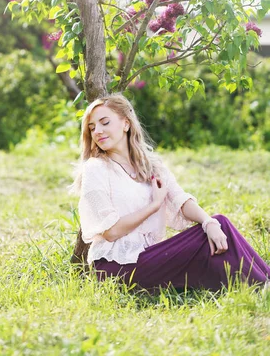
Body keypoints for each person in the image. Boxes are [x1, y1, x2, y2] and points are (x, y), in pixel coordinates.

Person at [71, 94, 270, 292]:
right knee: (214, 237)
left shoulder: (150, 165)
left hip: (150, 257)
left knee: (219, 226)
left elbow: (180, 200)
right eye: (92, 127)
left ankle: (264, 284)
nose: (98, 131)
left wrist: (209, 222)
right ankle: (265, 288)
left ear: (126, 124)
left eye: (105, 122)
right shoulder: (96, 168)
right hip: (116, 267)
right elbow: (111, 231)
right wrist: (154, 206)